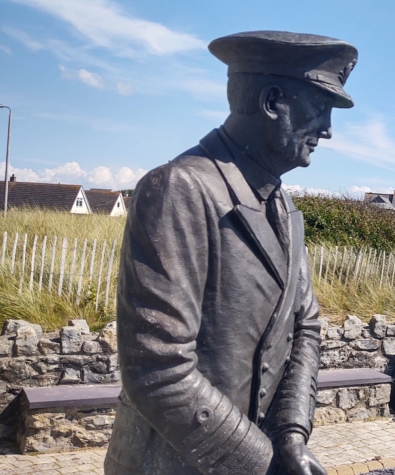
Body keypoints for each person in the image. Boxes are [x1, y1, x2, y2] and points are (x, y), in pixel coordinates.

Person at [104, 31, 358, 475]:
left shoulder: (284, 208)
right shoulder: (178, 191)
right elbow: (158, 367)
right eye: (318, 108)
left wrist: (291, 435)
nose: (327, 130)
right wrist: (262, 463)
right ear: (272, 101)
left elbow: (306, 327)